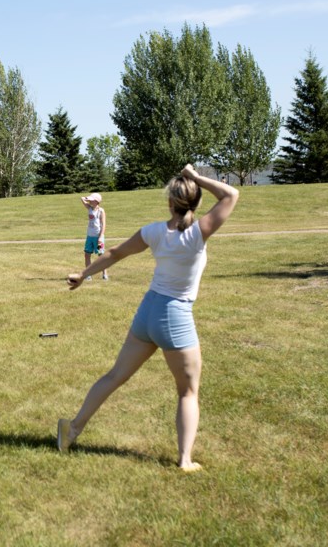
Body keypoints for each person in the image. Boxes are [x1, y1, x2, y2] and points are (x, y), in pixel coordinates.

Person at [58, 164, 239, 472]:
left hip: (148, 312)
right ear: (195, 203)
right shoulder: (199, 232)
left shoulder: (154, 231)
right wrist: (195, 178)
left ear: (170, 201)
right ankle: (184, 460)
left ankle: (72, 430)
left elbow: (114, 253)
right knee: (187, 391)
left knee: (115, 376)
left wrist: (83, 274)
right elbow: (230, 194)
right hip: (175, 315)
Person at [81, 192, 108, 280]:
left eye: (92, 200)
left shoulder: (101, 211)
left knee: (101, 255)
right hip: (90, 236)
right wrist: (87, 198)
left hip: (98, 236)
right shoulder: (89, 208)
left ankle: (105, 274)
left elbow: (103, 224)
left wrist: (101, 236)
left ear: (97, 202)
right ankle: (88, 275)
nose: (90, 202)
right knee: (87, 254)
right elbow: (82, 199)